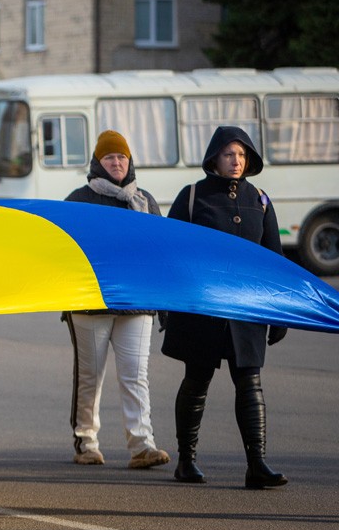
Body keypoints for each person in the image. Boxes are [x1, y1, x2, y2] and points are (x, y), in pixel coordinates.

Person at [162, 126, 289, 489]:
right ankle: (186, 461)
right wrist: (167, 304)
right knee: (197, 380)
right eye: (230, 154)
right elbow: (171, 253)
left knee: (250, 382)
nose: (237, 161)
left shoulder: (260, 200)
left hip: (246, 310)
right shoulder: (192, 197)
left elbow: (273, 260)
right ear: (214, 158)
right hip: (201, 308)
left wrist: (278, 312)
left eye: (242, 155)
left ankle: (257, 464)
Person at [63, 131, 169, 469]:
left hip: (137, 302)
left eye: (122, 157)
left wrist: (165, 300)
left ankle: (142, 444)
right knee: (91, 376)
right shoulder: (79, 200)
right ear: (98, 163)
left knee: (135, 375)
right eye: (110, 158)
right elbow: (65, 250)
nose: (117, 162)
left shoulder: (145, 201)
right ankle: (86, 442)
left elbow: (160, 250)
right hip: (90, 303)